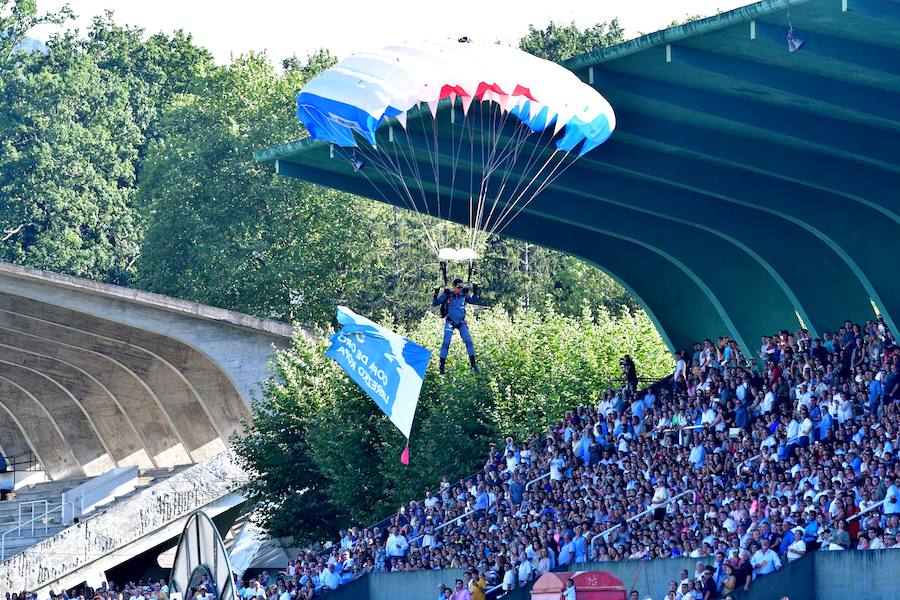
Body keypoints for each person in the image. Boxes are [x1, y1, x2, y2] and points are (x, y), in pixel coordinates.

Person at [432, 277, 480, 373]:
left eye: (462, 287)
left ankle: (473, 365)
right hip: (450, 321)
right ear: (454, 287)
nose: (461, 289)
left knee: (468, 341)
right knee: (446, 342)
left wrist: (475, 290)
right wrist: (436, 293)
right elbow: (435, 303)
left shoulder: (463, 295)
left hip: (461, 322)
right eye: (459, 287)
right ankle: (442, 366)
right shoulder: (448, 295)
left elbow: (474, 301)